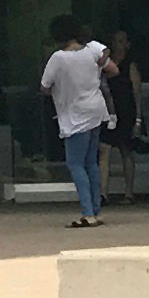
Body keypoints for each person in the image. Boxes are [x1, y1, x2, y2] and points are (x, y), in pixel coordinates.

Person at [41, 22, 112, 228]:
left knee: (75, 163)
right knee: (91, 162)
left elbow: (45, 86)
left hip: (74, 114)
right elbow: (105, 54)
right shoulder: (90, 52)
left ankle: (87, 212)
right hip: (96, 109)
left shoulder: (58, 58)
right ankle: (96, 210)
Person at [99, 31, 144, 206]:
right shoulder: (106, 65)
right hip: (108, 111)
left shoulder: (130, 66)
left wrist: (138, 119)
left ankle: (129, 192)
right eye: (115, 41)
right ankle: (103, 193)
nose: (117, 44)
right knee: (104, 148)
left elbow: (137, 93)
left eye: (121, 41)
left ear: (127, 45)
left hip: (126, 111)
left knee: (126, 149)